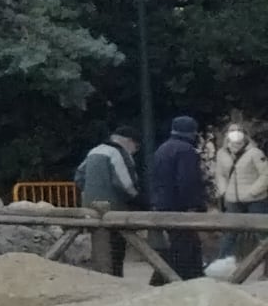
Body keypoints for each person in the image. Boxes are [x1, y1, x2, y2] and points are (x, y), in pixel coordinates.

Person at [149, 112, 210, 283]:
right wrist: (195, 205)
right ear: (193, 132)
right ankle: (173, 279)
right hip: (180, 206)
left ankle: (171, 278)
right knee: (186, 245)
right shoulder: (186, 150)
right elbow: (187, 180)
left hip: (163, 203)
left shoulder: (162, 148)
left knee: (181, 243)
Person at [78, 126, 140, 280]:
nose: (135, 151)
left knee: (99, 248)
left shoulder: (94, 151)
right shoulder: (117, 153)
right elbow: (126, 184)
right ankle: (116, 281)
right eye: (136, 146)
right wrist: (137, 198)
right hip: (113, 210)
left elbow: (79, 176)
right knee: (117, 249)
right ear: (129, 141)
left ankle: (101, 279)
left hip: (90, 209)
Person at [215, 114, 268, 279]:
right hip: (233, 199)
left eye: (238, 131)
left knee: (262, 234)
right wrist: (224, 191)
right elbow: (220, 174)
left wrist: (252, 191)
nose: (234, 134)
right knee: (229, 234)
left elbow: (265, 174)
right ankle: (222, 268)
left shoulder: (254, 152)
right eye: (231, 131)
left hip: (255, 199)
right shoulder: (222, 154)